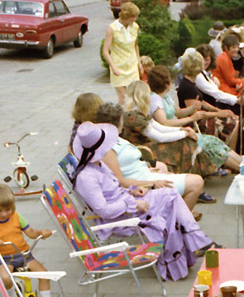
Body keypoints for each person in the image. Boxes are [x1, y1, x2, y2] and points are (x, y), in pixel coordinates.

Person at [71, 122, 215, 280]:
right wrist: (133, 203)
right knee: (169, 203)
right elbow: (103, 210)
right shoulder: (87, 177)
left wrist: (132, 190)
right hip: (122, 217)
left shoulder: (97, 165)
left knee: (170, 194)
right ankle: (192, 244)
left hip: (129, 203)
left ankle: (190, 244)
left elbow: (113, 189)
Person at [92, 102, 205, 213]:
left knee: (174, 172)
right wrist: (153, 182)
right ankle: (179, 220)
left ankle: (178, 217)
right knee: (196, 182)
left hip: (145, 176)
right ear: (119, 121)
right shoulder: (108, 147)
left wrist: (148, 169)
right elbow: (119, 181)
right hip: (143, 185)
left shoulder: (113, 138)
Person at [151, 63, 241, 174]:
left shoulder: (165, 97)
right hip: (169, 133)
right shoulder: (155, 100)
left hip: (175, 129)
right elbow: (164, 123)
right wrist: (191, 118)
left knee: (214, 141)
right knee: (211, 145)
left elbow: (179, 112)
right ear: (167, 83)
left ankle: (243, 163)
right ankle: (242, 168)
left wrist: (192, 108)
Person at [119, 82, 214, 180]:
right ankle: (195, 174)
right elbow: (159, 136)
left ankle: (194, 175)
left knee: (185, 141)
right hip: (141, 150)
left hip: (148, 144)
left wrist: (182, 129)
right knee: (184, 143)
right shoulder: (133, 117)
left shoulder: (138, 113)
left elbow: (160, 128)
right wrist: (185, 133)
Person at [0, 183, 54, 297]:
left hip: (24, 255)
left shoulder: (16, 217)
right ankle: (12, 296)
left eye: (8, 209)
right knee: (5, 277)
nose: (4, 214)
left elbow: (31, 233)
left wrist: (41, 233)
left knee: (45, 275)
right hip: (4, 259)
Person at [103, 1, 141, 104]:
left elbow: (135, 45)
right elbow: (105, 51)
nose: (135, 19)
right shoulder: (112, 29)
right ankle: (122, 119)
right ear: (126, 16)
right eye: (133, 16)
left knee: (134, 97)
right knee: (123, 98)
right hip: (118, 66)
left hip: (132, 66)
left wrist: (139, 62)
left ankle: (132, 118)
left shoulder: (135, 27)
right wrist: (112, 66)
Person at [213, 33, 244, 103]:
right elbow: (230, 81)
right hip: (224, 90)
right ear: (226, 48)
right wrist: (242, 82)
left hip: (226, 87)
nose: (236, 50)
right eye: (233, 48)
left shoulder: (225, 57)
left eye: (237, 47)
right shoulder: (224, 59)